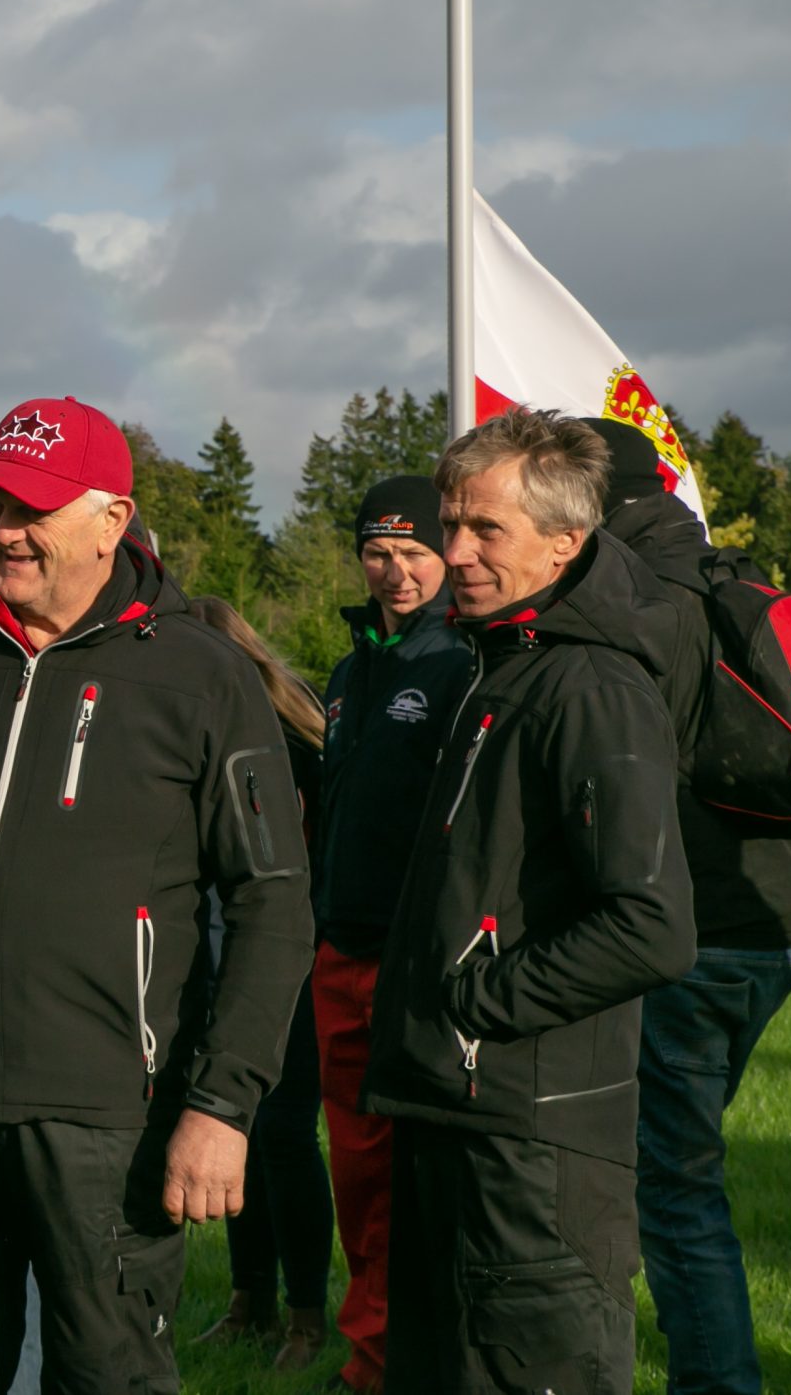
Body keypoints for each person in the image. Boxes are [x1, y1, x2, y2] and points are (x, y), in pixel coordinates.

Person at [0, 396, 314, 1393]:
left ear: (111, 520)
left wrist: (223, 1103)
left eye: (32, 509)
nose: (4, 531)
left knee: (106, 1376)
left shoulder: (201, 677)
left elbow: (273, 902)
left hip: (111, 1120)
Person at [365, 407, 695, 1395]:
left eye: (484, 529)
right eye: (450, 525)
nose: (456, 551)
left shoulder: (591, 686)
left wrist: (476, 1004)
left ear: (564, 542)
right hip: (453, 1113)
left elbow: (651, 925)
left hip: (530, 1141)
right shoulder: (500, 663)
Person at [586, 419, 791, 1395]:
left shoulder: (640, 596)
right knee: (667, 1171)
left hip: (692, 929)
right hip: (774, 921)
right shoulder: (723, 576)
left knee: (674, 1189)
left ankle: (717, 1382)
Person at [307, 474, 468, 1395]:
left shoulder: (463, 659)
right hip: (341, 949)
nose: (397, 571)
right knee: (359, 1172)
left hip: (416, 961)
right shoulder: (351, 669)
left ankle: (399, 1357)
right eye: (378, 551)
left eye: (414, 551)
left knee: (415, 1174)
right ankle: (369, 1353)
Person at [184, 596, 334, 1376]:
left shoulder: (287, 736)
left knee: (282, 1131)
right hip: (218, 949)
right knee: (237, 1123)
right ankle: (251, 1302)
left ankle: (306, 1316)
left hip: (289, 953)